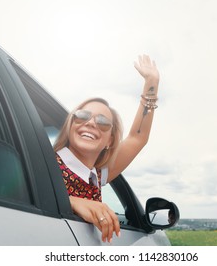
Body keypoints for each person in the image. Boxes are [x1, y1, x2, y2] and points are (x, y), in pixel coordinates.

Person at [53, 54, 160, 243]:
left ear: (110, 140)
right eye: (83, 115)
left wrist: (151, 82)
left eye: (102, 122)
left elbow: (138, 137)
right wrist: (72, 201)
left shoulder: (97, 176)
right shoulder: (46, 164)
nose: (91, 123)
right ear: (70, 125)